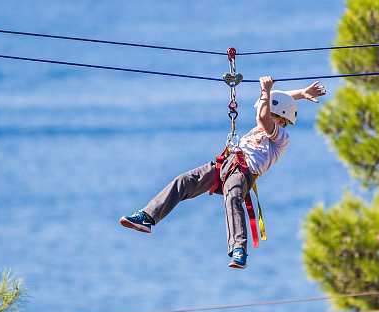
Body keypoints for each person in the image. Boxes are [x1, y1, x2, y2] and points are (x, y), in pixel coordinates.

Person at [119, 76, 327, 269]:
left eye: (270, 113)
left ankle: (239, 249)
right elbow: (274, 104)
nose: (261, 113)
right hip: (224, 165)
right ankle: (147, 217)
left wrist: (265, 91)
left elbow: (265, 115)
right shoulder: (265, 124)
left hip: (242, 173)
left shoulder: (280, 137)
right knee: (184, 181)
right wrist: (301, 93)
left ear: (280, 119)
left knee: (233, 199)